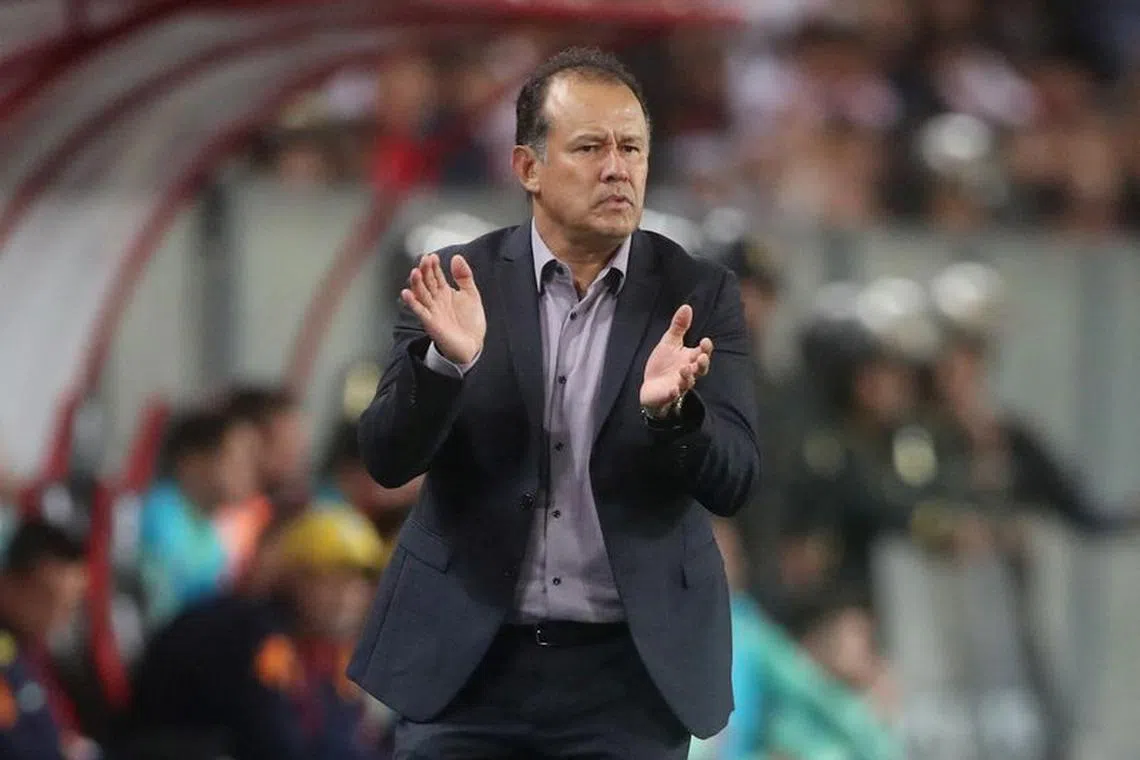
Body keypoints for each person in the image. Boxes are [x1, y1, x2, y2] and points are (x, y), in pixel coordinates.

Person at [349, 47, 762, 759]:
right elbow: (387, 459)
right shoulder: (458, 280)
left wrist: (673, 417)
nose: (617, 168)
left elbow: (736, 479)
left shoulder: (697, 294)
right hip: (467, 665)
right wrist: (446, 363)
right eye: (590, 147)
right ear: (528, 168)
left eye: (632, 147)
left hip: (626, 679)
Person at [120, 508, 392, 760]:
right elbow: (275, 744)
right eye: (332, 582)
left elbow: (347, 740)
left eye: (358, 585)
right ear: (295, 580)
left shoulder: (331, 652)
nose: (346, 599)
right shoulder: (255, 635)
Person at [139, 408, 260, 627]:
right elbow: (160, 613)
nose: (250, 471)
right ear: (193, 460)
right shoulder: (159, 514)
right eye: (238, 460)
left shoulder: (212, 530)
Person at [0, 520, 88, 760]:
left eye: (71, 606)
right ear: (8, 584)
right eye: (47, 599)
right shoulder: (7, 662)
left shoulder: (40, 657)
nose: (57, 617)